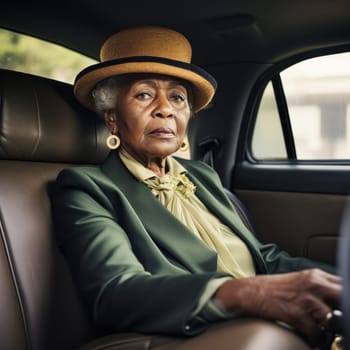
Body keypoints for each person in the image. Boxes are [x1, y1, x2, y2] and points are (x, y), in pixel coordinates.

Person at [53, 26, 342, 349]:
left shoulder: (202, 176)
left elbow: (263, 258)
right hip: (189, 330)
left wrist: (337, 280)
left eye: (177, 98)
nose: (166, 109)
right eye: (144, 94)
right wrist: (247, 294)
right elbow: (116, 293)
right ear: (112, 118)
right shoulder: (87, 188)